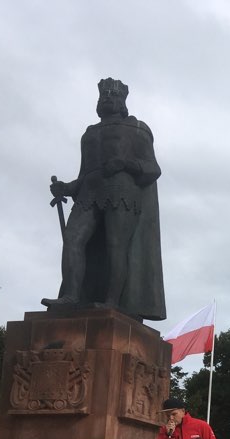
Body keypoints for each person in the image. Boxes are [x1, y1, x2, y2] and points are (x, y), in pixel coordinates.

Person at [43, 78, 165, 319]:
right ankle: (71, 295)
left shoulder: (137, 129)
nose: (107, 98)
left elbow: (153, 169)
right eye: (103, 96)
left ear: (122, 103)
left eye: (113, 95)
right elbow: (84, 175)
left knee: (116, 246)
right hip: (89, 193)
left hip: (122, 192)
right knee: (73, 239)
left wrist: (125, 163)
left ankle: (113, 301)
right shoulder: (89, 134)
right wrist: (65, 187)